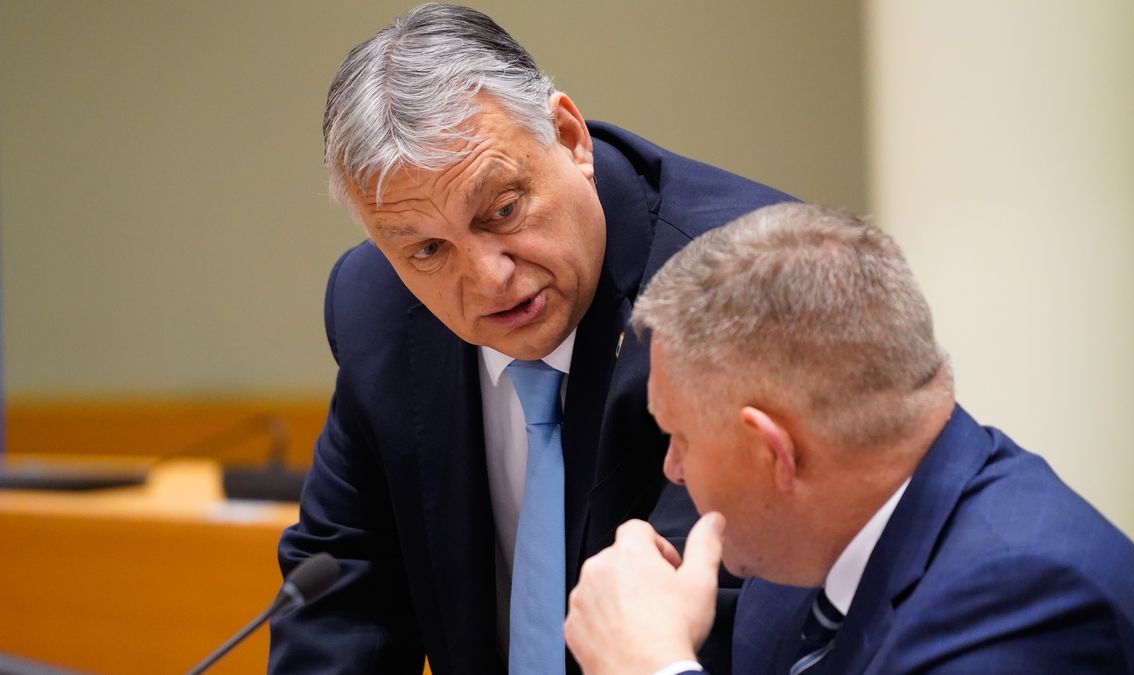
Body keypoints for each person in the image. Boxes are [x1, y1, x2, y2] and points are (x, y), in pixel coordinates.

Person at [269, 4, 794, 674]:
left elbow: (705, 628)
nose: (488, 278)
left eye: (504, 209)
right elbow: (340, 603)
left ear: (570, 136)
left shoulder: (742, 286)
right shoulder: (377, 311)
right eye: (429, 248)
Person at [563, 202, 1134, 674]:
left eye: (677, 436)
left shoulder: (1027, 601)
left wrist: (649, 666)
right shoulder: (802, 559)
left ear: (771, 451)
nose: (671, 468)